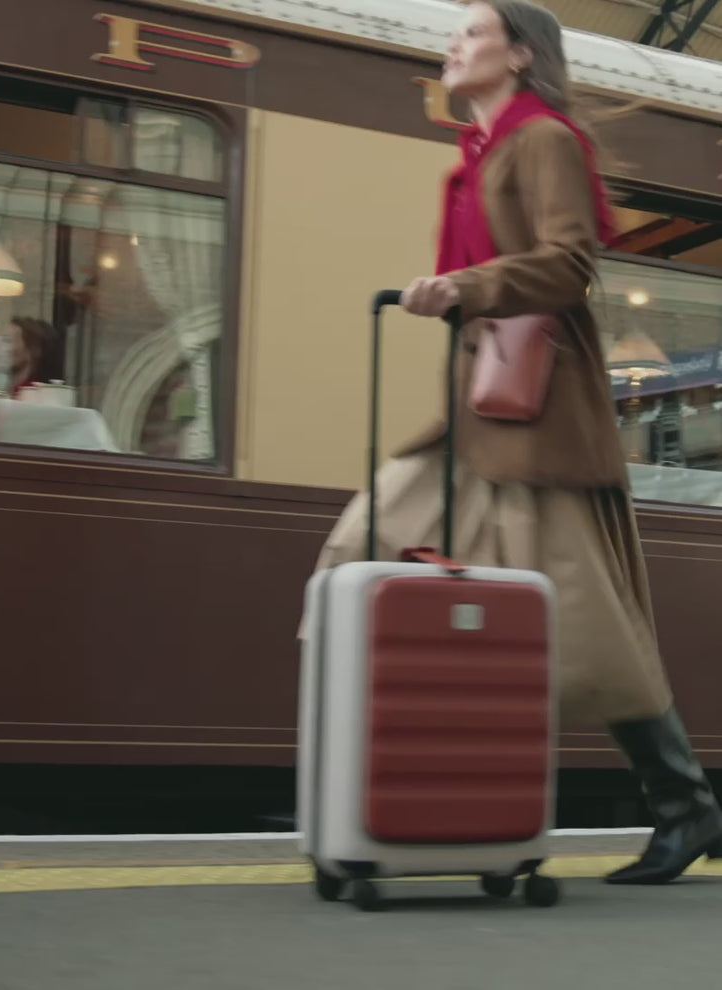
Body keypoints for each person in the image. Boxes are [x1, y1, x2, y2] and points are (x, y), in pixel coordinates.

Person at [308, 0, 721, 884]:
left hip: (536, 418)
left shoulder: (545, 140)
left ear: (523, 57)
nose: (453, 44)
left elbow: (570, 264)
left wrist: (464, 283)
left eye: (473, 32)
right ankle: (425, 791)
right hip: (476, 415)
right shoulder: (482, 152)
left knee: (585, 621)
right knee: (364, 544)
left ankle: (682, 808)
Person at [7, 316, 66, 397]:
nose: (6, 348)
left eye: (12, 341)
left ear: (32, 349)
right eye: (5, 340)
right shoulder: (7, 386)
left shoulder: (34, 393)